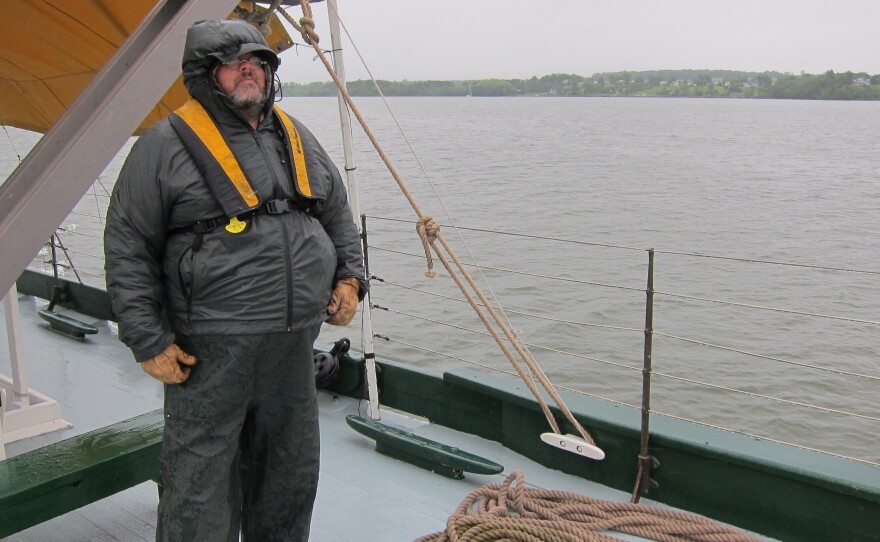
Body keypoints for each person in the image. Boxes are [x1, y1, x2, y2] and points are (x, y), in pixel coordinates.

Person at [104, 18, 366, 542]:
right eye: (234, 62)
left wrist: (351, 278)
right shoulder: (162, 145)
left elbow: (336, 212)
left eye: (259, 60)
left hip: (293, 343)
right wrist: (147, 339)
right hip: (210, 346)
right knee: (199, 482)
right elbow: (128, 244)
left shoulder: (297, 136)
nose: (250, 69)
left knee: (290, 473)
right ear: (206, 75)